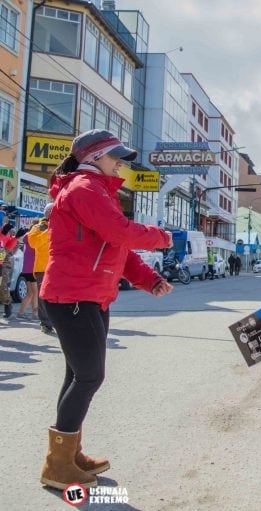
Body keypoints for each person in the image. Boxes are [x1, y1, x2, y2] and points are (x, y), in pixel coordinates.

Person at [38, 129, 174, 491]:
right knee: (89, 376)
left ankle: (69, 455)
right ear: (94, 157)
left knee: (77, 376)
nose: (121, 164)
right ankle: (57, 464)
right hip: (73, 295)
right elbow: (122, 233)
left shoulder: (98, 191)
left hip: (91, 295)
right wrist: (161, 236)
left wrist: (150, 280)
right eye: (116, 157)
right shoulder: (85, 188)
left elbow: (118, 250)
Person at [28, 203, 55, 334]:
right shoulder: (38, 227)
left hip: (59, 267)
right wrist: (49, 232)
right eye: (52, 211)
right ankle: (46, 323)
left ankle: (59, 321)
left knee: (58, 296)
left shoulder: (63, 226)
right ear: (47, 213)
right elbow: (33, 243)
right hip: (43, 268)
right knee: (43, 297)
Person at [15, 222, 39, 320]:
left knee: (31, 292)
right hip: (33, 268)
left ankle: (23, 313)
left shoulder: (26, 237)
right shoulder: (33, 237)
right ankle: (33, 313)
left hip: (27, 269)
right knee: (34, 292)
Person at [0, 223, 18, 318]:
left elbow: (7, 248)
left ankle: (7, 305)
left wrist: (16, 238)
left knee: (3, 287)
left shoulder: (7, 233)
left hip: (3, 265)